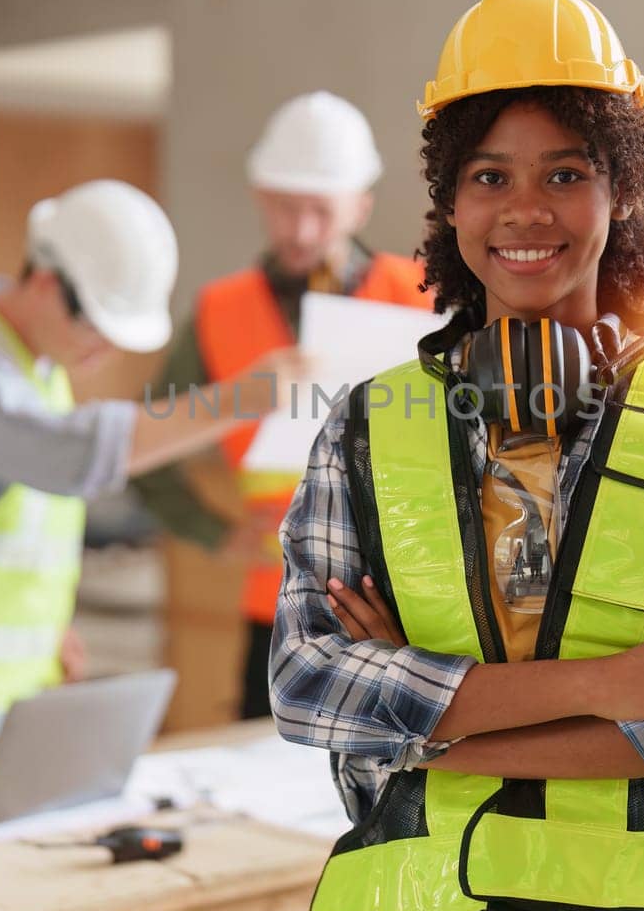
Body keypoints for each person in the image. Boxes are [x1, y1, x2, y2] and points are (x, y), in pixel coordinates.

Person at [271, 0, 644, 911]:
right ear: (452, 204)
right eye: (490, 176)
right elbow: (307, 686)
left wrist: (417, 730)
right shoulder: (365, 425)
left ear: (620, 189)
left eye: (565, 173)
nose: (526, 211)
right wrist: (612, 684)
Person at [0, 180, 301, 778]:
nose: (104, 352)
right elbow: (69, 455)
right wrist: (238, 400)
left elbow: (17, 529)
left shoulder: (35, 367)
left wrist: (47, 631)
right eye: (99, 328)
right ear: (48, 284)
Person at [134, 91, 432, 720]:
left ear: (360, 205)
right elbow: (144, 443)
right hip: (275, 609)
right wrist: (213, 533)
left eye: (319, 211)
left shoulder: (422, 300)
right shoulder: (220, 311)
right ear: (259, 198)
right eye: (283, 208)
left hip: (409, 605)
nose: (299, 231)